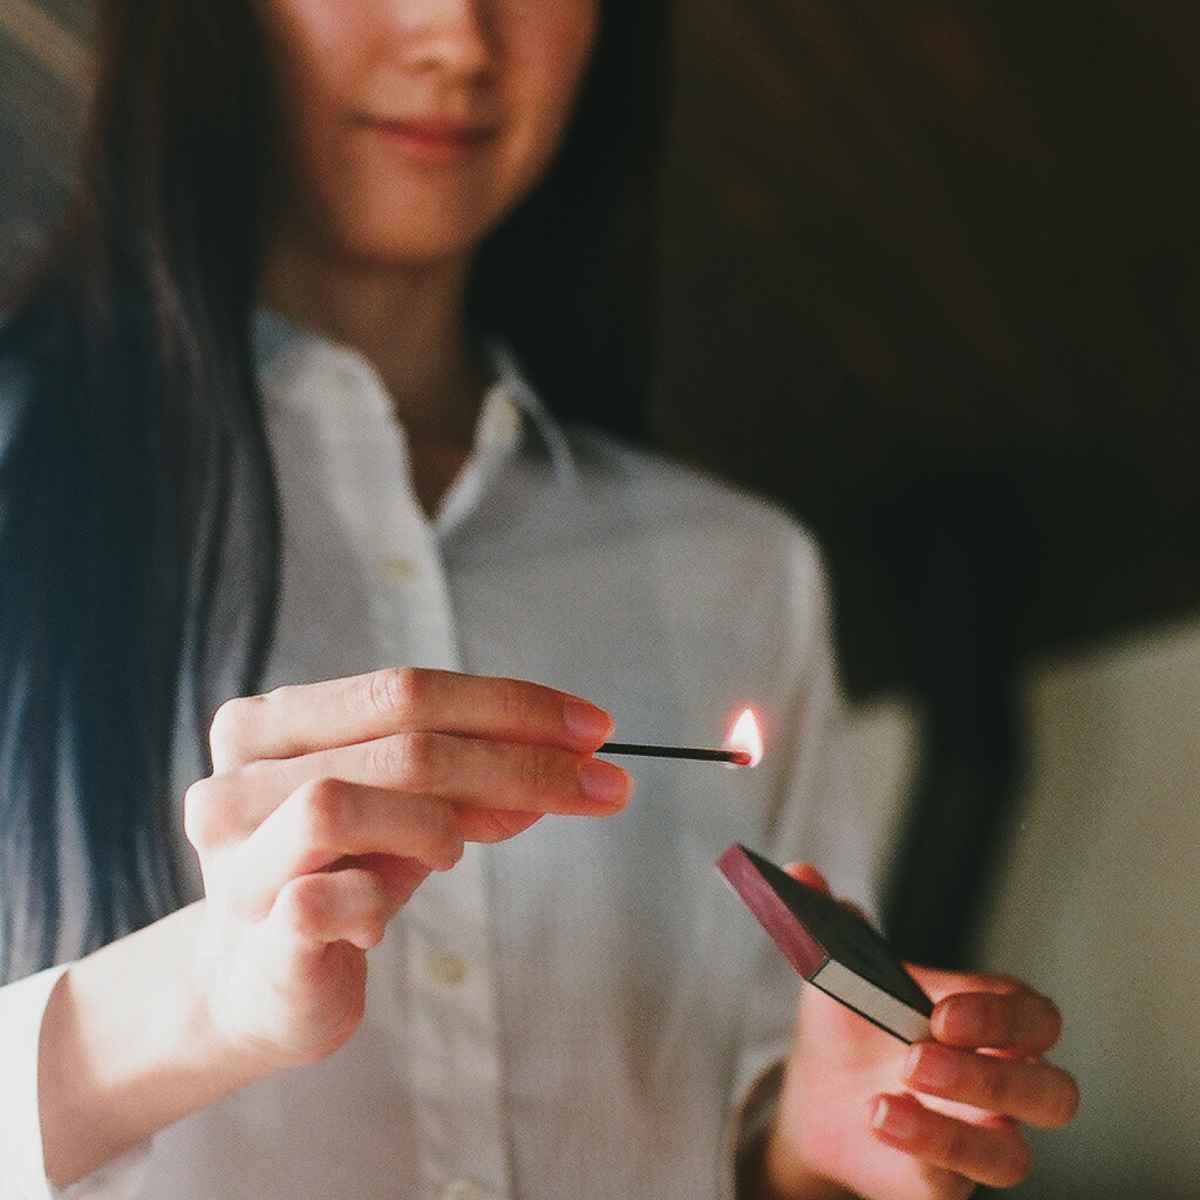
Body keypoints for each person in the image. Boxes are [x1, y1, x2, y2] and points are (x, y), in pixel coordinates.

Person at [0, 1, 1079, 1197]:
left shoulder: (741, 569)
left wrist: (806, 1154)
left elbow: (726, 1126)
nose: (459, 39)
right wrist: (201, 999)